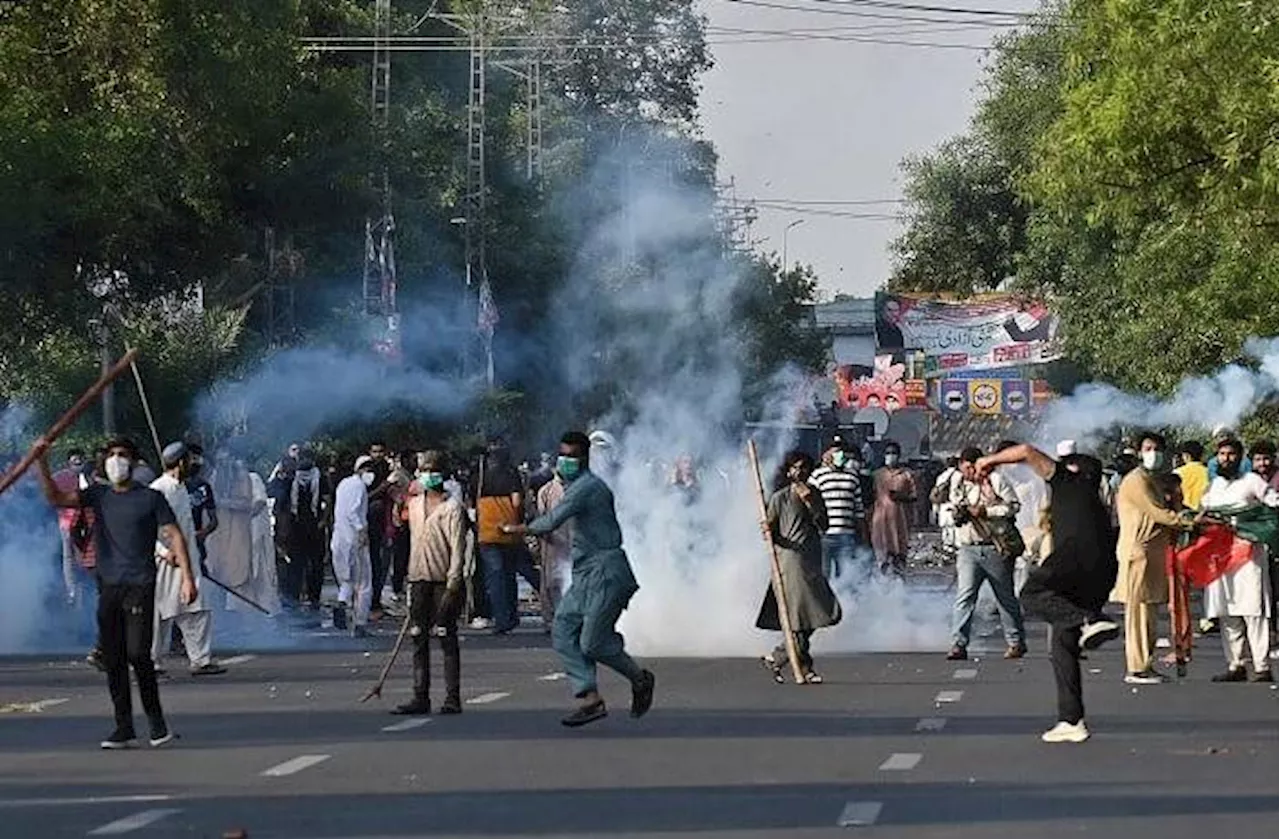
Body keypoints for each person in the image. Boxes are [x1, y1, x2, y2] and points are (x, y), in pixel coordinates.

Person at [35, 437, 195, 749]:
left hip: (140, 584)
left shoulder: (151, 499)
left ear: (134, 462)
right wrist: (41, 461)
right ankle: (123, 727)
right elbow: (56, 497)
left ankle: (156, 723)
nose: (116, 460)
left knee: (138, 654)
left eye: (123, 455)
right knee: (114, 658)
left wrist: (188, 578)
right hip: (108, 586)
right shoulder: (98, 495)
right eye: (111, 455)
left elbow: (174, 535)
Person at [502, 431, 655, 727]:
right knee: (562, 628)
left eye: (571, 456)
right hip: (585, 572)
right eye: (562, 455)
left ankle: (640, 679)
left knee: (593, 643)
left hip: (607, 572)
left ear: (584, 458)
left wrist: (515, 530)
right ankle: (589, 698)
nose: (565, 462)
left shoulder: (588, 488)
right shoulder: (576, 486)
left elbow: (552, 520)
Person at [975, 444, 1120, 744]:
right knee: (1061, 644)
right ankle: (1071, 719)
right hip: (1104, 569)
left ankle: (1084, 621)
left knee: (1030, 593)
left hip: (1073, 559)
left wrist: (989, 460)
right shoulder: (1096, 499)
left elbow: (1027, 451)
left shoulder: (1067, 482)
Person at [391, 451, 467, 715]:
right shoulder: (413, 506)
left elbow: (458, 550)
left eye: (433, 470)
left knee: (446, 636)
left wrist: (453, 584)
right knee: (418, 637)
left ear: (442, 474)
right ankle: (420, 696)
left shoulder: (452, 508)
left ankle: (452, 698)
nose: (428, 474)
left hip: (443, 581)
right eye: (424, 470)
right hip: (418, 579)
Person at [758, 450, 842, 684]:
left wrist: (811, 502)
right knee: (799, 617)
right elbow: (772, 533)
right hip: (790, 563)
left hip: (812, 560)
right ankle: (804, 667)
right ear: (789, 471)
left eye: (805, 467)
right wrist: (767, 530)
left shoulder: (815, 494)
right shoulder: (780, 498)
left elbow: (824, 524)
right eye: (796, 467)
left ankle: (778, 656)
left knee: (820, 612)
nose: (801, 471)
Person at [1113, 431, 1189, 685]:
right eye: (1147, 448)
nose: (1152, 453)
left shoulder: (1154, 480)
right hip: (1138, 552)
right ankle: (1137, 667)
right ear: (1138, 452)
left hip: (1154, 553)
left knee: (1150, 612)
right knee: (1138, 613)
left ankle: (1145, 663)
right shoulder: (1136, 481)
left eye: (1157, 448)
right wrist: (1190, 522)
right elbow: (1159, 514)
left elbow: (1169, 511)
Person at [1200, 438, 1277, 682]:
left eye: (1231, 454)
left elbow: (1273, 506)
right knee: (1227, 610)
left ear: (1240, 457)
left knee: (1253, 609)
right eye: (1222, 454)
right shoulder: (1216, 486)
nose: (1226, 458)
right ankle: (1235, 664)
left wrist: (1250, 525)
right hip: (1220, 556)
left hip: (1249, 555)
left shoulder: (1252, 481)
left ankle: (1261, 666)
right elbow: (1205, 511)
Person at [151, 442, 226, 676]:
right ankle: (151, 663)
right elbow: (146, 530)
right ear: (180, 461)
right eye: (190, 459)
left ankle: (200, 660)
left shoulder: (183, 488)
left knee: (197, 609)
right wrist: (164, 552)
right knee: (158, 614)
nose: (194, 464)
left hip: (189, 560)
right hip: (163, 562)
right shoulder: (157, 490)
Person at [946, 447, 1026, 661]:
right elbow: (953, 503)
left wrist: (985, 511)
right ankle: (958, 644)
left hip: (995, 547)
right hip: (967, 547)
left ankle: (1015, 642)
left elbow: (1013, 507)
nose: (968, 473)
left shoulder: (995, 480)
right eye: (964, 468)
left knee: (1005, 598)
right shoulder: (959, 482)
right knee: (965, 597)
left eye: (971, 467)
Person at [475, 438, 541, 634]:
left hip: (487, 532)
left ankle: (502, 620)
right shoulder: (512, 475)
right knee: (511, 574)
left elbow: (471, 503)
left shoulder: (479, 476)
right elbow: (517, 502)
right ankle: (511, 616)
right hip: (510, 530)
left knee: (496, 577)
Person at [809, 439, 865, 581]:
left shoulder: (852, 477)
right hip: (825, 535)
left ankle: (845, 602)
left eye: (841, 452)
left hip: (847, 535)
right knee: (825, 575)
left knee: (846, 576)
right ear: (826, 455)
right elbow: (809, 503)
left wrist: (863, 535)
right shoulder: (817, 476)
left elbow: (858, 509)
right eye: (835, 452)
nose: (839, 455)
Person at [332, 456, 376, 636]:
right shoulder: (359, 487)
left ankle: (342, 603)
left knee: (346, 580)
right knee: (364, 583)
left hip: (339, 539)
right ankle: (360, 623)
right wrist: (362, 531)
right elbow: (353, 513)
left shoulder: (343, 484)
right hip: (355, 539)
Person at [870, 441, 917, 575]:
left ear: (899, 455)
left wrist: (901, 497)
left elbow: (914, 497)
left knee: (899, 554)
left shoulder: (906, 475)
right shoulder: (876, 475)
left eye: (894, 453)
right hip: (880, 520)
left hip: (899, 520)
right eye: (888, 453)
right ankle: (883, 586)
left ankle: (900, 585)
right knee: (882, 554)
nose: (891, 456)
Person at [536, 466, 572, 632]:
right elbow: (542, 517)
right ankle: (550, 618)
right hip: (552, 541)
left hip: (573, 540)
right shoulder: (546, 491)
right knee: (550, 580)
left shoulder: (577, 489)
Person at [366, 441, 394, 619]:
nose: (378, 455)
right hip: (370, 527)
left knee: (382, 565)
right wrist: (382, 488)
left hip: (386, 524)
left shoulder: (388, 470)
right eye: (375, 451)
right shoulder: (367, 474)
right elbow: (364, 497)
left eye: (381, 451)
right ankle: (370, 602)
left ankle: (376, 600)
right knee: (372, 565)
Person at [1174, 441, 1210, 510]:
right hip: (1203, 512)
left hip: (1184, 512)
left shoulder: (1178, 472)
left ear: (1187, 455)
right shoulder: (1208, 472)